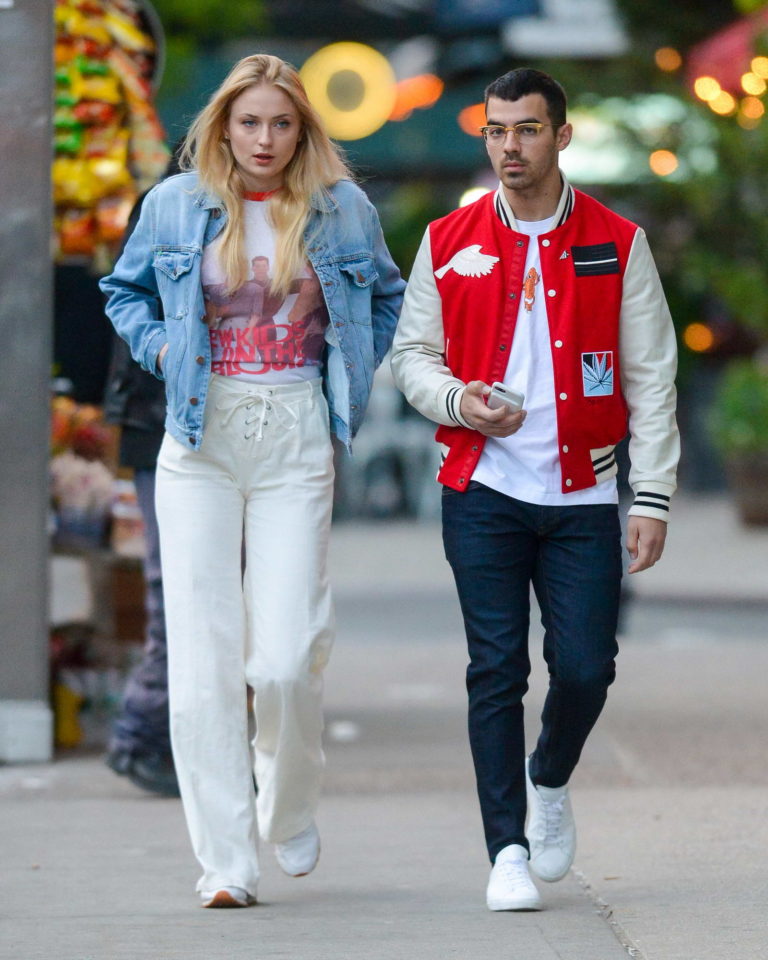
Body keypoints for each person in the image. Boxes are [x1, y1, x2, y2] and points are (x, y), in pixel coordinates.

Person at [100, 53, 404, 909]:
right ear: (224, 126)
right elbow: (123, 294)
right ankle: (225, 861)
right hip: (199, 438)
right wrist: (164, 350)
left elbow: (389, 296)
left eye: (281, 123)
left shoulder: (341, 210)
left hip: (295, 434)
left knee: (285, 653)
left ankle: (291, 800)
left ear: (302, 128)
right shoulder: (175, 204)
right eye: (249, 123)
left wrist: (353, 368)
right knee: (201, 660)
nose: (264, 139)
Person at [391, 67, 679, 912]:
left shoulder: (616, 240)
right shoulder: (449, 238)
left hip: (583, 493)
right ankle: (507, 847)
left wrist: (651, 495)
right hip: (481, 486)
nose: (508, 146)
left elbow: (652, 375)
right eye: (495, 130)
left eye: (525, 129)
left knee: (587, 667)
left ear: (561, 134)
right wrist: (457, 402)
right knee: (495, 670)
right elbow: (413, 356)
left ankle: (548, 776)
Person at [103, 152, 182, 798]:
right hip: (160, 426)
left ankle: (147, 730)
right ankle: (141, 731)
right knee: (169, 589)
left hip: (180, 426)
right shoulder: (168, 209)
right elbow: (127, 307)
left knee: (192, 590)